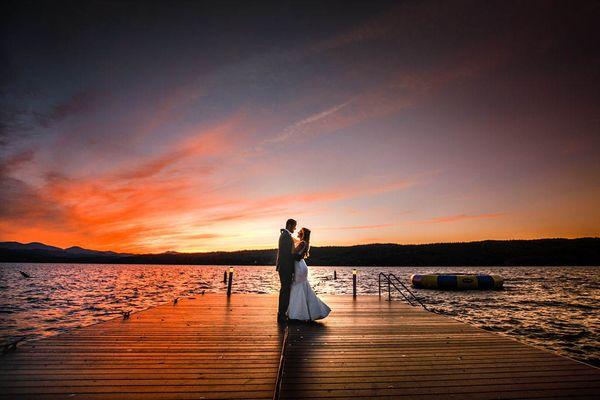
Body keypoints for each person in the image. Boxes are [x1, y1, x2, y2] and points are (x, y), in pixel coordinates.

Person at [287, 227, 331, 321]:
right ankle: (301, 312)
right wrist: (289, 236)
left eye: (299, 232)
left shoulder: (302, 243)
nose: (298, 232)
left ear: (302, 234)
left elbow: (293, 252)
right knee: (300, 286)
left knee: (297, 286)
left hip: (299, 266)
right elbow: (293, 240)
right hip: (301, 266)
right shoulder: (303, 242)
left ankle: (298, 314)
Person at [276, 218, 298, 323]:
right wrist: (297, 256)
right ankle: (281, 314)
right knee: (285, 290)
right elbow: (287, 254)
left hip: (285, 267)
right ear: (289, 225)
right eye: (294, 226)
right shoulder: (285, 236)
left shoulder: (286, 235)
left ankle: (282, 313)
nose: (295, 228)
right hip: (285, 268)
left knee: (285, 290)